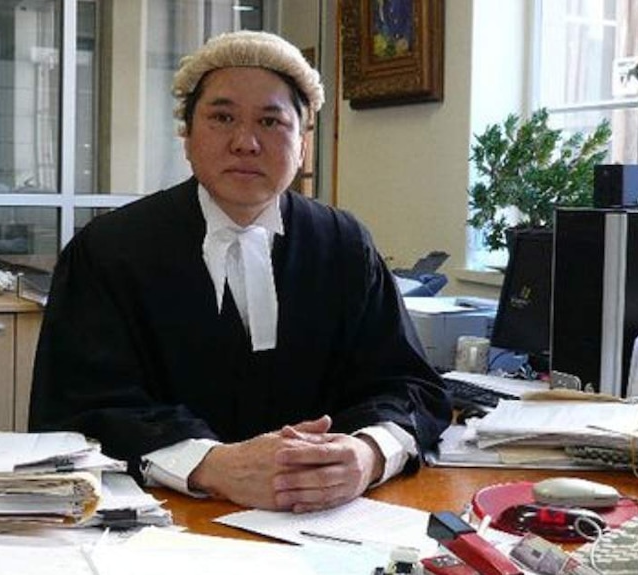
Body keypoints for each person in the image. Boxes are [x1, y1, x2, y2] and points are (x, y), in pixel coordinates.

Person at [29, 30, 450, 513]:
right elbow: (77, 409)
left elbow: (409, 385)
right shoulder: (107, 250)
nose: (246, 142)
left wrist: (368, 453)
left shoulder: (345, 245)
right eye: (222, 117)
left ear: (303, 143)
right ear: (186, 135)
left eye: (271, 121)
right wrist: (211, 464)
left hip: (329, 523)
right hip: (162, 525)